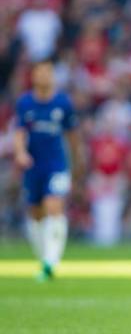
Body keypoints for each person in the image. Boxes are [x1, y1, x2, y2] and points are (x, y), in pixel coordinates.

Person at [14, 60, 82, 281]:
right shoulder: (25, 102)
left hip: (57, 164)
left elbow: (72, 136)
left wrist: (78, 162)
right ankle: (44, 257)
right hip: (34, 166)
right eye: (40, 71)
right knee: (35, 213)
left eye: (48, 71)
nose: (44, 75)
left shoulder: (63, 102)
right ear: (33, 75)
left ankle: (51, 261)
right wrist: (21, 153)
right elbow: (19, 132)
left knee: (54, 205)